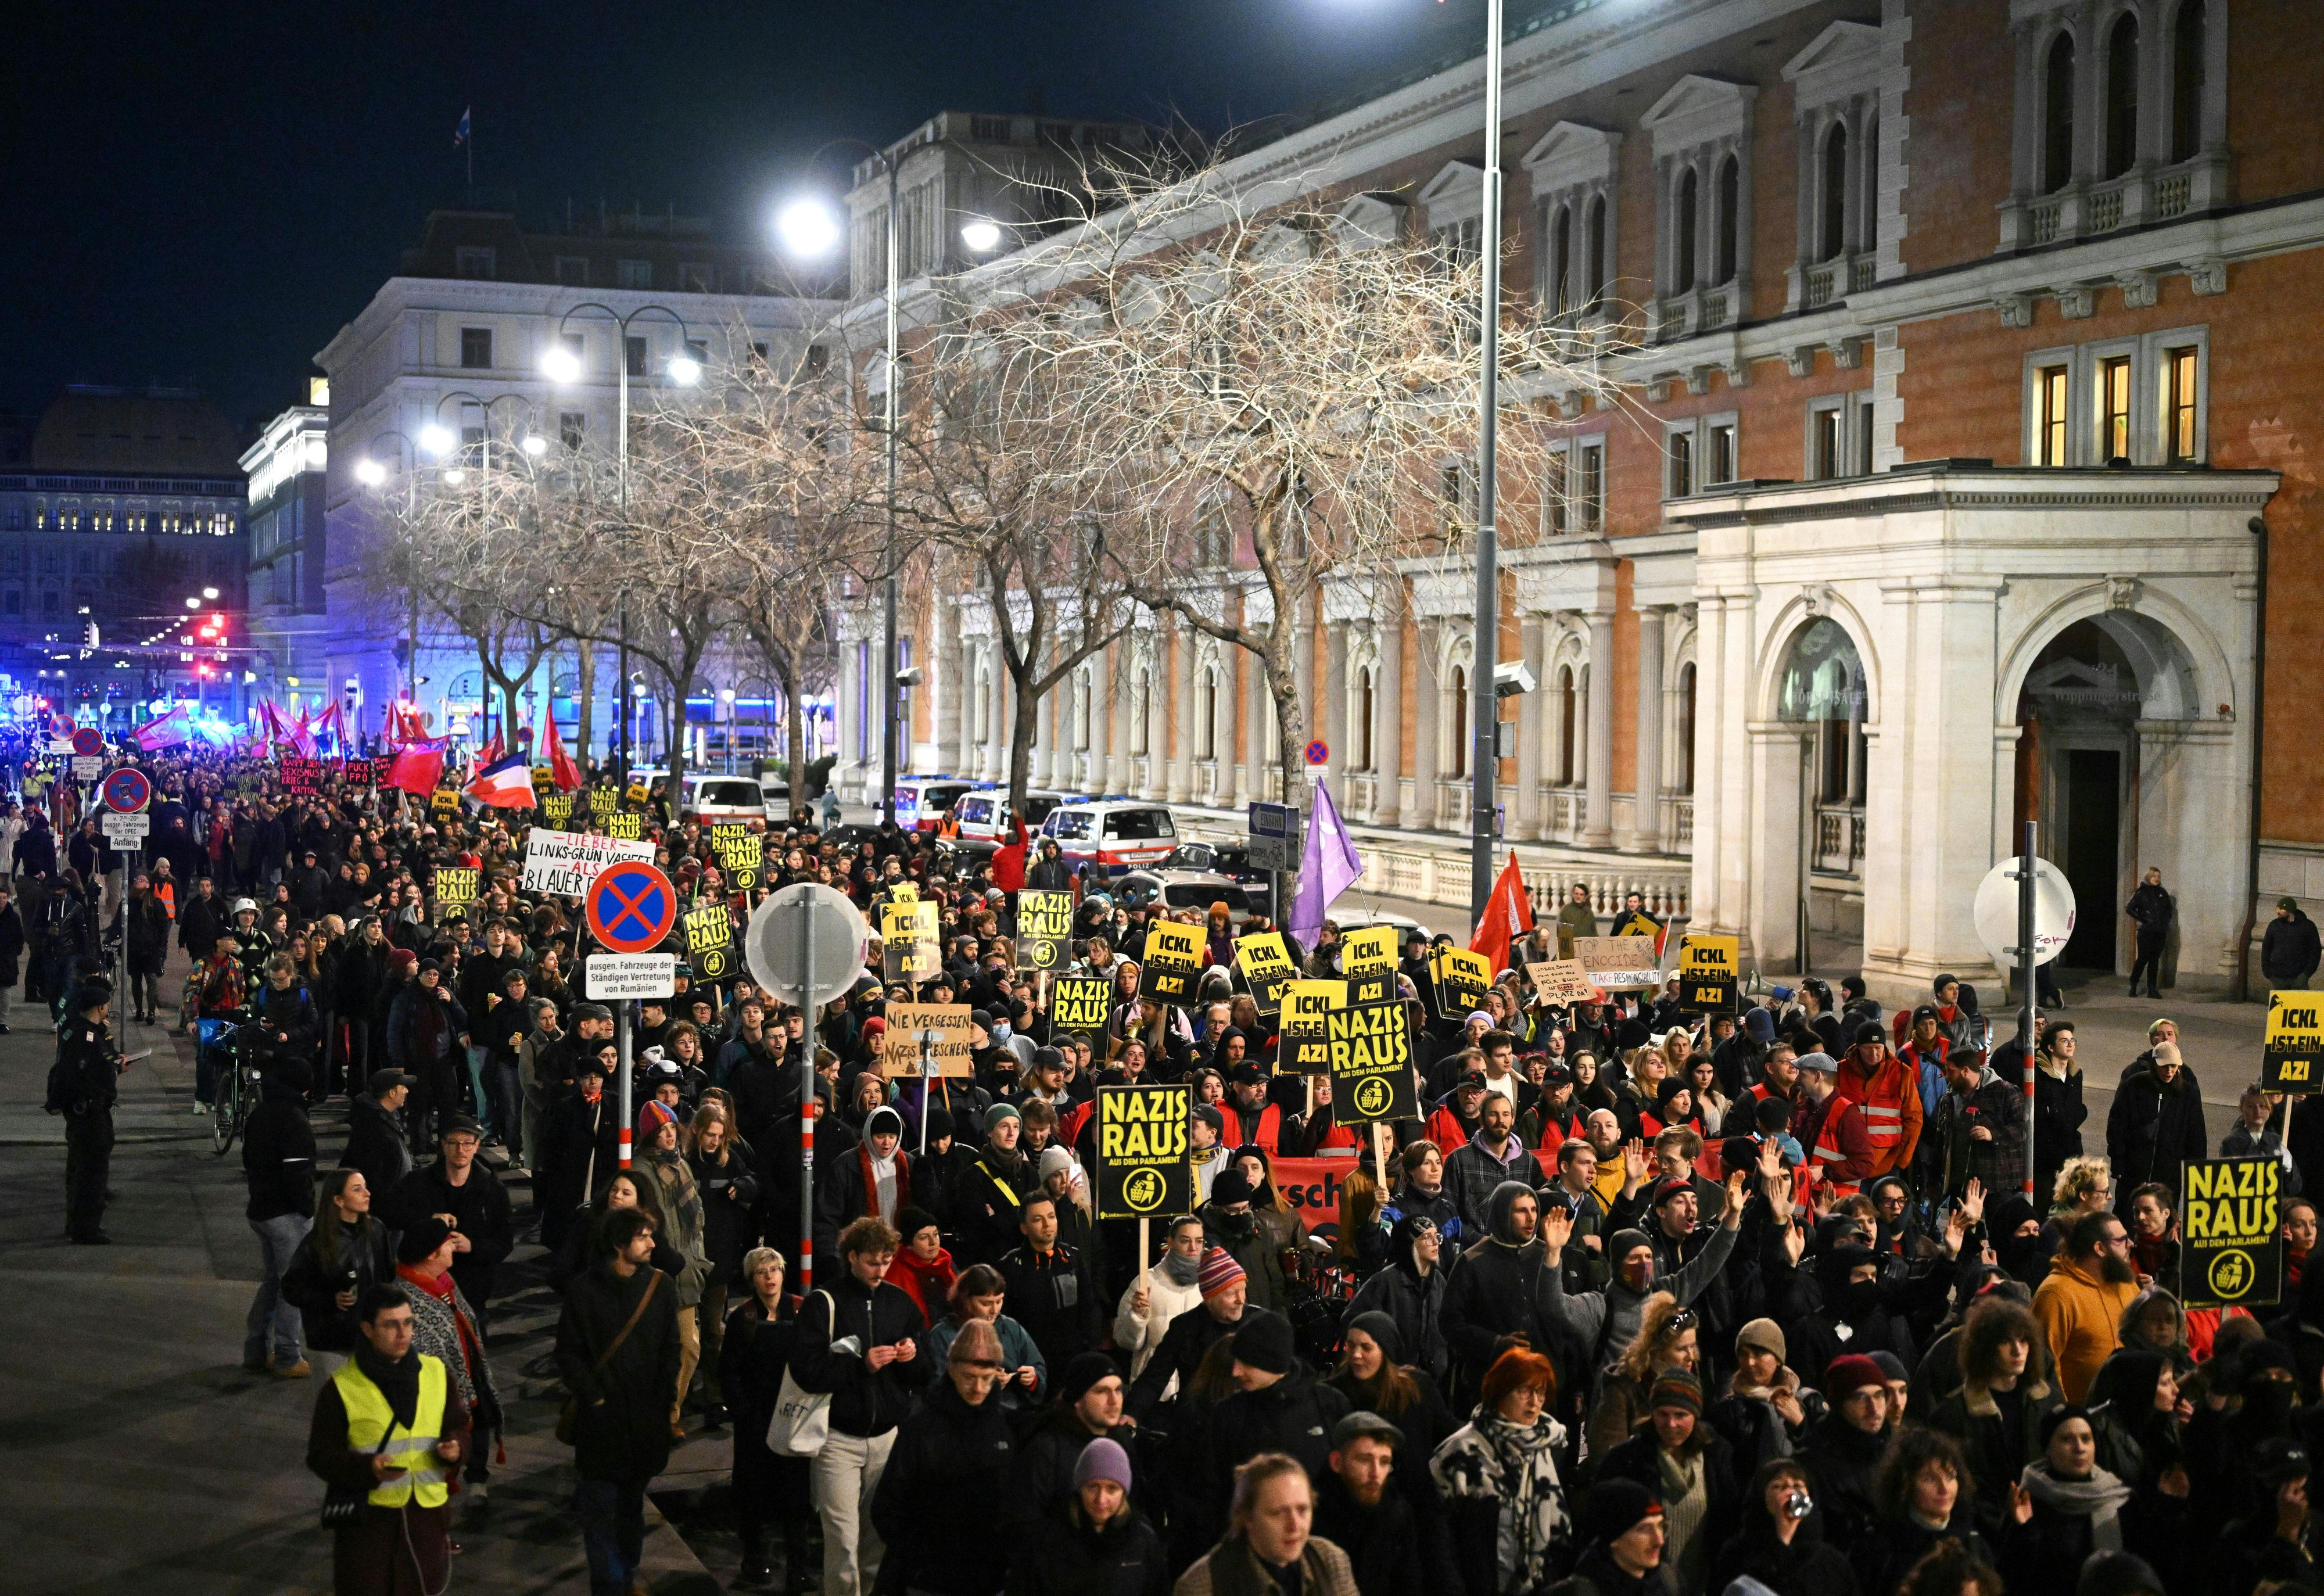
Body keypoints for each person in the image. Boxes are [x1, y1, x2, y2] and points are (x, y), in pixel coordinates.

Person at [789, 1215, 934, 1596]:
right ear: (851, 1256)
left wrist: (912, 1356)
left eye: (886, 1261)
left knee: (877, 1540)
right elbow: (806, 1369)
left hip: (887, 1438)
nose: (880, 1269)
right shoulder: (824, 1303)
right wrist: (860, 1365)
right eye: (872, 1261)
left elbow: (924, 1372)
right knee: (842, 1541)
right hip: (837, 1439)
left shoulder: (899, 1302)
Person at [306, 1285, 470, 1596]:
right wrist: (368, 1469)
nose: (403, 1334)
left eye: (408, 1323)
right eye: (391, 1325)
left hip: (426, 1519)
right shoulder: (341, 1387)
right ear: (367, 1329)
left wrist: (455, 1447)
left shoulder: (436, 1372)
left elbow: (459, 1426)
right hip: (370, 1526)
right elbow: (321, 1456)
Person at [555, 1205, 682, 1596]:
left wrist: (665, 1403)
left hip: (643, 1424)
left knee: (630, 1510)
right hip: (601, 1425)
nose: (651, 1243)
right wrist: (593, 1396)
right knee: (600, 1513)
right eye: (643, 1235)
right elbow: (568, 1352)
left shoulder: (660, 1286)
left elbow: (670, 1349)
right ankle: (610, 1585)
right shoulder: (584, 1290)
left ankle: (625, 1576)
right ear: (618, 1243)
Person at [869, 1317, 1020, 1595]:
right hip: (928, 1581)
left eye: (986, 1379)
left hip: (988, 1578)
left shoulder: (1006, 1429)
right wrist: (917, 1558)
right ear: (951, 1370)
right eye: (968, 1377)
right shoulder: (922, 1430)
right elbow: (888, 1504)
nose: (977, 1389)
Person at [1431, 1346, 1570, 1596]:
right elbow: (1438, 1537)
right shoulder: (1460, 1452)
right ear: (1500, 1392)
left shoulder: (1543, 1445)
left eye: (1540, 1392)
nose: (1535, 1402)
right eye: (1524, 1391)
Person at [1595, 1368, 1741, 1596]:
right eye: (1662, 1413)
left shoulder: (1717, 1456)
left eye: (1680, 1415)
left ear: (1696, 1415)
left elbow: (1728, 1523)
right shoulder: (1628, 1460)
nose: (1670, 1424)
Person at [1928, 1295, 2059, 1537]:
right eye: (2006, 1342)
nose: (2018, 1350)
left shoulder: (2046, 1400)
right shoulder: (1954, 1413)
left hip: (2042, 1528)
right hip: (1983, 1534)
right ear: (1986, 1348)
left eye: (2024, 1340)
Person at [393, 1217, 501, 1503]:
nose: (454, 1247)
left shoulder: (443, 1280)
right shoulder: (407, 1300)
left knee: (478, 1429)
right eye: (448, 1244)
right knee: (437, 1462)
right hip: (437, 1401)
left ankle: (476, 1477)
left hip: (468, 1379)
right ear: (432, 1254)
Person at [723, 1246, 811, 1590]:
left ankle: (799, 1566)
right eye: (763, 1271)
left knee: (797, 1494)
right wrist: (743, 1412)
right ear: (752, 1278)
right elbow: (728, 1372)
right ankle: (754, 1560)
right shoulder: (742, 1318)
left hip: (793, 1416)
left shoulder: (803, 1311)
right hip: (755, 1418)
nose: (770, 1276)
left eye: (775, 1268)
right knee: (752, 1491)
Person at [380, 1115, 514, 1332]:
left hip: (472, 1292)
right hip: (424, 1290)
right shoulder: (419, 1183)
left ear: (476, 1146)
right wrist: (428, 1222)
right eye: (454, 1143)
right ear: (443, 1145)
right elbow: (387, 1212)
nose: (461, 1150)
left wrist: (472, 1247)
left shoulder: (493, 1190)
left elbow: (504, 1243)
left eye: (467, 1143)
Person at [1174, 1451, 1361, 1596]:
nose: (1295, 1526)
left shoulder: (1329, 1560)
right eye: (1278, 1513)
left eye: (1303, 1510)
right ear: (1248, 1517)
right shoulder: (1206, 1583)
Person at [1010, 1435, 1170, 1596]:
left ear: (1124, 1493)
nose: (1101, 1499)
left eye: (1112, 1489)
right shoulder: (1046, 1541)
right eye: (1093, 1487)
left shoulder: (1143, 1541)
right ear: (1080, 1489)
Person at [243, 1055, 319, 1378]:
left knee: (272, 1281)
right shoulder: (294, 1119)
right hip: (285, 1215)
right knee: (293, 1284)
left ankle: (256, 1349)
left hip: (260, 1209)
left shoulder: (260, 1113)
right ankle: (288, 1355)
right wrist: (307, 1209)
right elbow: (297, 1174)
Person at [1852, 1428, 1996, 1596]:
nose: (1944, 1489)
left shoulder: (1974, 1544)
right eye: (1929, 1479)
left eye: (1950, 1477)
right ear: (1905, 1486)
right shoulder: (1878, 1549)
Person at [2009, 1406, 2132, 1593]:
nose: (2079, 1448)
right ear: (2048, 1448)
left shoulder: (2117, 1496)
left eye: (2086, 1439)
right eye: (2067, 1439)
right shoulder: (2028, 1500)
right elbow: (2012, 1579)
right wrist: (2025, 1531)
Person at [44, 975, 127, 1244]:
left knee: (80, 1170)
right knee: (91, 1174)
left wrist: (114, 1063)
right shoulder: (86, 1037)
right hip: (90, 1114)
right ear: (101, 1007)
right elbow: (82, 1074)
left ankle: (77, 1224)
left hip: (85, 1113)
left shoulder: (80, 1031)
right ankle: (85, 1228)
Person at [1129, 1246, 1256, 1418]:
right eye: (1231, 1293)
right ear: (1210, 1297)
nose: (1241, 1300)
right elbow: (1154, 1378)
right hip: (1196, 1422)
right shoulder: (1184, 1327)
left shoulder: (1257, 1323)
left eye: (1242, 1290)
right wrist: (1131, 1414)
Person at [284, 1168, 397, 1356]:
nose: (367, 1194)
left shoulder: (376, 1230)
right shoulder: (317, 1242)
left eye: (366, 1188)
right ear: (338, 1200)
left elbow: (387, 1276)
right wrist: (329, 1299)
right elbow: (291, 1288)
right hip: (331, 1340)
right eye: (357, 1189)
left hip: (370, 1335)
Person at [1708, 1455, 1858, 1596]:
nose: (1791, 1492)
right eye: (1778, 1486)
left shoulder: (1831, 1561)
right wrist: (1782, 1541)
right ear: (1761, 1497)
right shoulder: (1737, 1554)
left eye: (1798, 1486)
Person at [2033, 1211, 2141, 1403]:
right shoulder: (2056, 1294)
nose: (2131, 1244)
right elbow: (2044, 1366)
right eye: (2122, 1240)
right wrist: (2069, 1418)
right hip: (2082, 1423)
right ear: (2100, 1248)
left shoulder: (2126, 1284)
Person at [1312, 1411, 1425, 1596]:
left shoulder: (1397, 1513)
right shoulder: (1309, 1513)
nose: (1376, 1473)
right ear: (1337, 1462)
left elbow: (1408, 1582)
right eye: (1364, 1460)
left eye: (1384, 1462)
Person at [1793, 1354, 1892, 1556]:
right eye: (1860, 1397)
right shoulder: (1809, 1465)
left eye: (1879, 1395)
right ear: (1839, 1405)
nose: (1874, 1409)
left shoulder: (1899, 1452)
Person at [999, 1190, 1103, 1370]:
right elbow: (1005, 1321)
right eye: (1038, 1219)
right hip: (1029, 1364)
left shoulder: (1072, 1258)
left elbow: (1088, 1308)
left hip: (1072, 1361)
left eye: (1051, 1216)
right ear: (1024, 1228)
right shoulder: (1009, 1267)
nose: (1047, 1224)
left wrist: (1090, 1351)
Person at [2106, 1042, 2205, 1211]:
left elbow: (2196, 1134)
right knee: (2128, 1214)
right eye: (2164, 1066)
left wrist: (2196, 1172)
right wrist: (2118, 1163)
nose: (2169, 1071)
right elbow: (2118, 1125)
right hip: (2134, 1170)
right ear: (2154, 1065)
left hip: (2169, 1172)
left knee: (2163, 1217)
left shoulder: (2188, 1093)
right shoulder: (2134, 1085)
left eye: (2173, 1066)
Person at [1116, 1214, 1208, 1379]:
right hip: (1154, 1388)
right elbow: (1126, 1341)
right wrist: (1137, 1316)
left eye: (1199, 1241)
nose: (1193, 1248)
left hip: (1195, 1386)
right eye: (1185, 1240)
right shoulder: (1145, 1282)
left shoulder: (1210, 1282)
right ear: (1170, 1241)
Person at [1560, 1477, 1672, 1596]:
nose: (1660, 1541)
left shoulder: (1669, 1582)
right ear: (1612, 1537)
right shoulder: (1578, 1592)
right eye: (1645, 1529)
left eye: (1660, 1525)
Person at [340, 1069, 415, 1202]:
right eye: (403, 1087)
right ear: (391, 1093)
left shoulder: (387, 1118)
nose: (407, 1091)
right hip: (383, 1206)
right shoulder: (374, 1127)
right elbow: (374, 1176)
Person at [2125, 869, 2172, 998]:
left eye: (2158, 876)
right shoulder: (2141, 893)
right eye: (2154, 876)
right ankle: (2134, 983)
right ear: (2148, 877)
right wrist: (2143, 919)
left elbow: (2169, 909)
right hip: (2146, 931)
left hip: (2160, 931)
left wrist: (2165, 920)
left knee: (2154, 960)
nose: (2156, 878)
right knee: (2143, 958)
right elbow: (2129, 908)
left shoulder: (2162, 893)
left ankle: (2152, 989)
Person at [2262, 896, 2323, 991]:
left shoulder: (2308, 926)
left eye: (2281, 909)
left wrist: (2306, 974)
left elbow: (2315, 951)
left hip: (2299, 977)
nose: (2278, 912)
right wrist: (2269, 973)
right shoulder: (2274, 925)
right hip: (2278, 977)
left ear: (2290, 911)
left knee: (2299, 1004)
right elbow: (2266, 949)